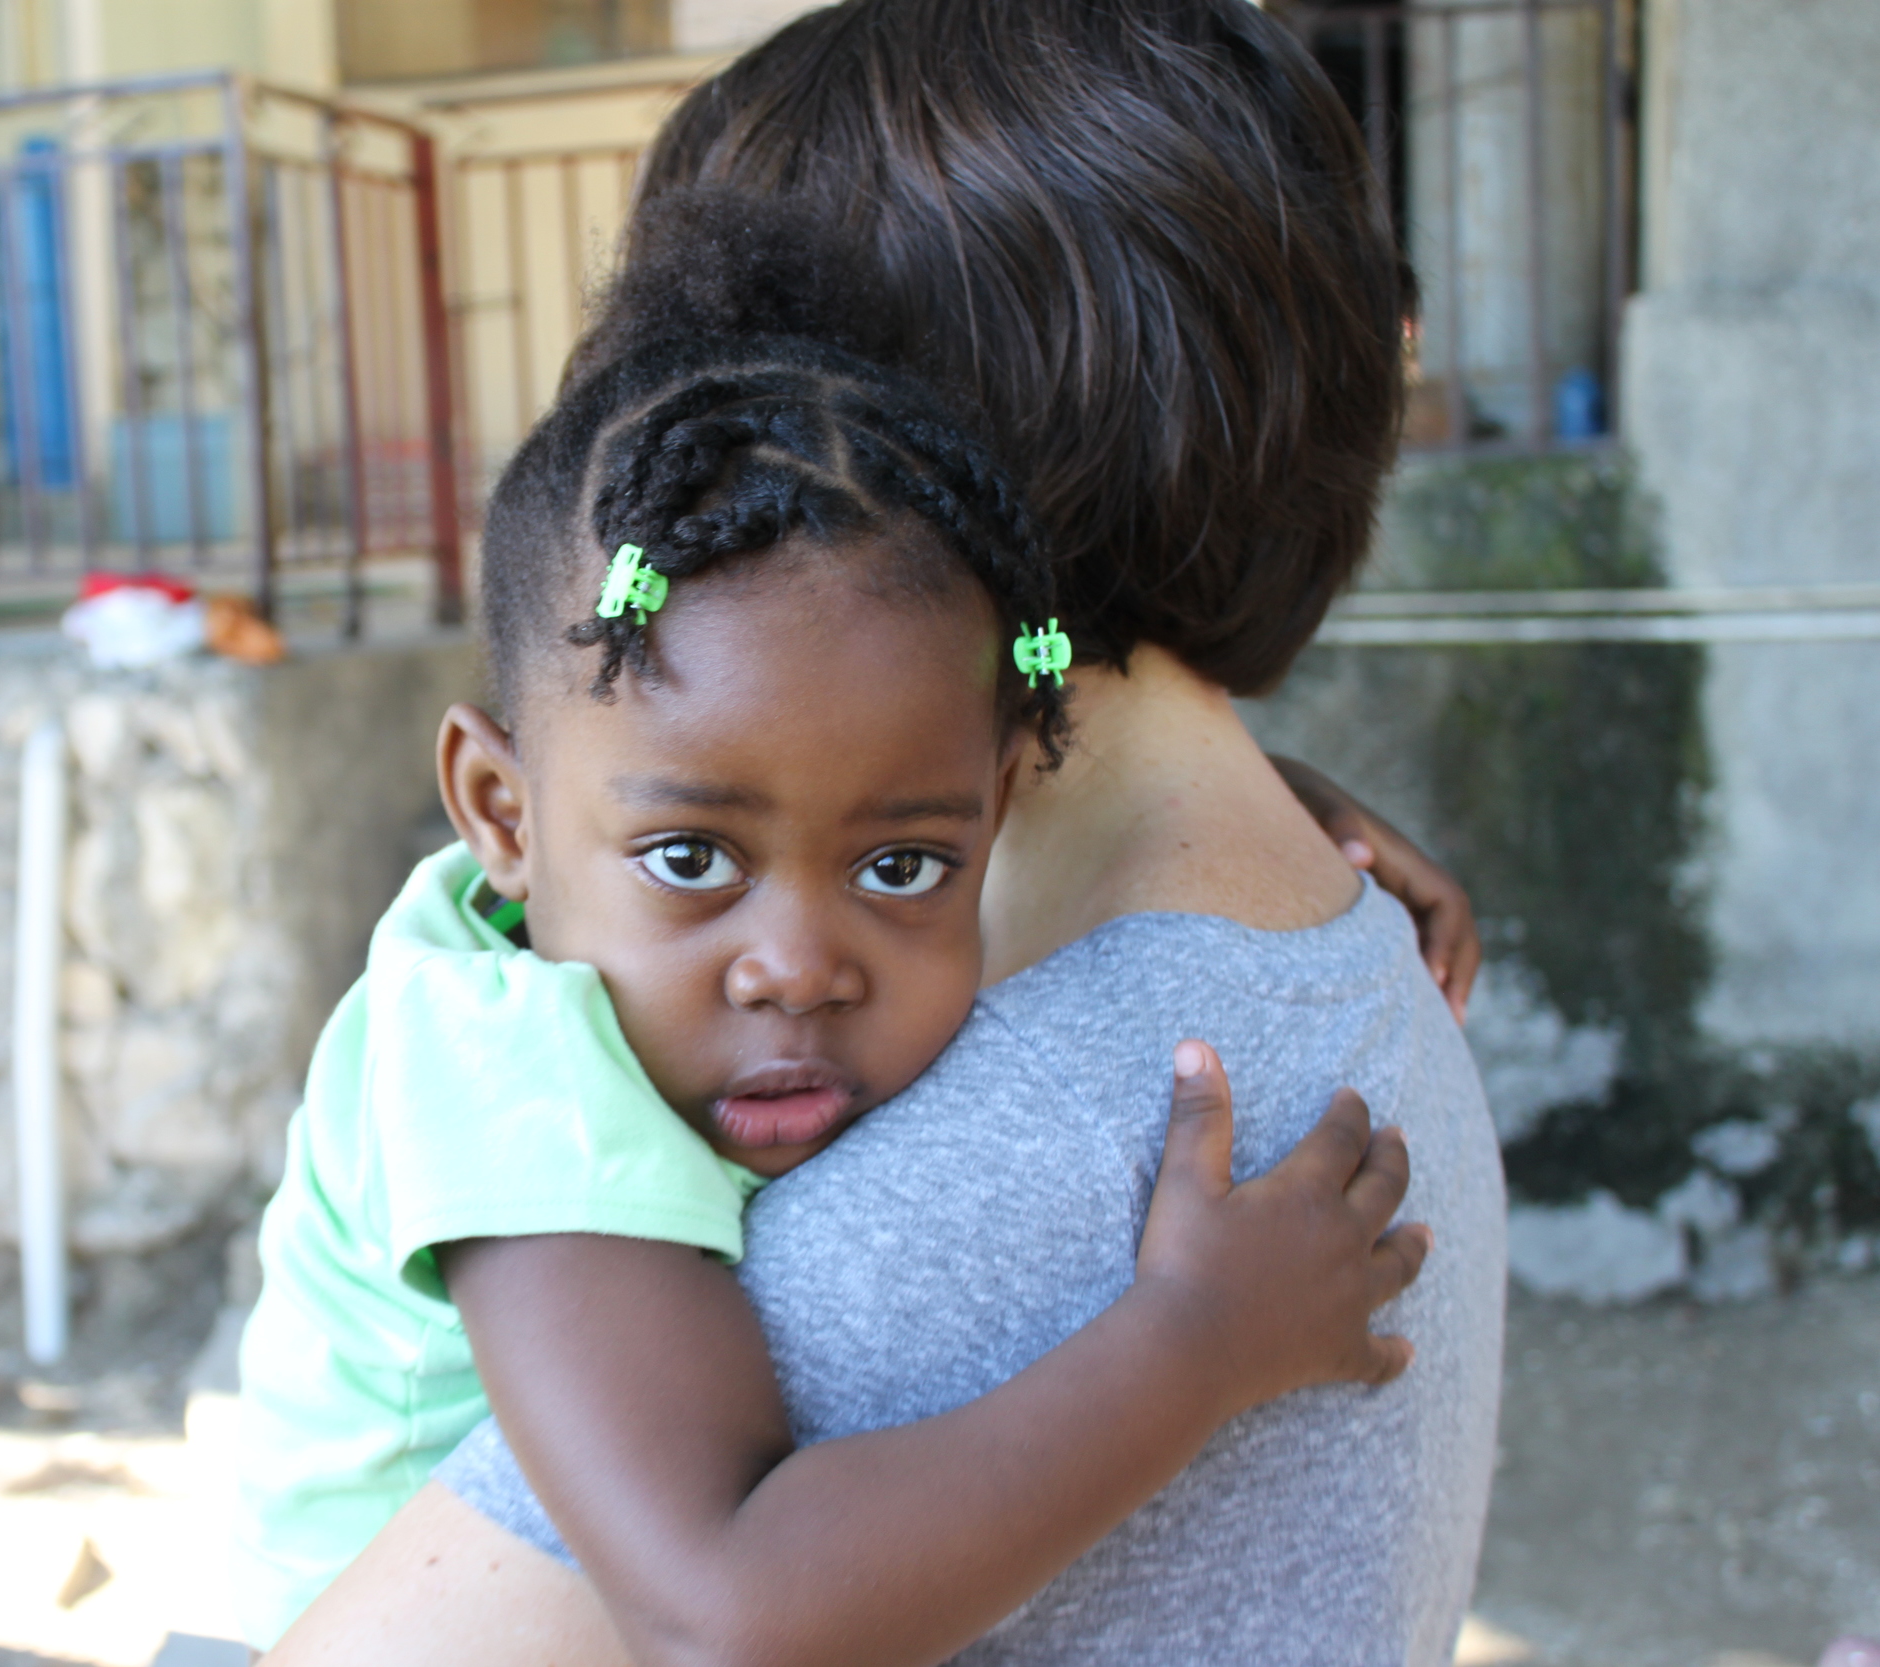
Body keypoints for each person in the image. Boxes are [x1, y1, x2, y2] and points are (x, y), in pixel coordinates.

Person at [265, 1, 1508, 1662]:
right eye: (699, 858)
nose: (791, 962)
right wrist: (1193, 1339)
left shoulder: (1061, 1095)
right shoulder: (526, 1087)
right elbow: (723, 1606)